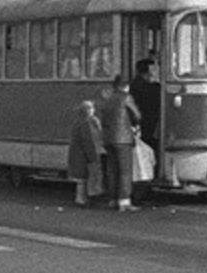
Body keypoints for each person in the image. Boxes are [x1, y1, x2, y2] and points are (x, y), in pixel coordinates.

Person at [99, 75, 140, 212]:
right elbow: (137, 115)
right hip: (123, 139)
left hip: (109, 139)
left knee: (112, 170)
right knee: (125, 171)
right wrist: (134, 125)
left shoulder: (107, 99)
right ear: (126, 86)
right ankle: (124, 201)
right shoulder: (126, 98)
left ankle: (113, 199)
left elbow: (103, 119)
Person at [66, 99, 104, 207]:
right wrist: (92, 156)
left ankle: (81, 199)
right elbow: (88, 141)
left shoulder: (79, 122)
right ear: (87, 110)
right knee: (85, 178)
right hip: (84, 155)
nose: (93, 110)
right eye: (91, 108)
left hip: (79, 154)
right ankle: (82, 200)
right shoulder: (86, 123)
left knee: (82, 179)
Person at [131, 58, 162, 152]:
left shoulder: (135, 84)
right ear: (148, 71)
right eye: (154, 69)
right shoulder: (149, 87)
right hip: (147, 126)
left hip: (143, 124)